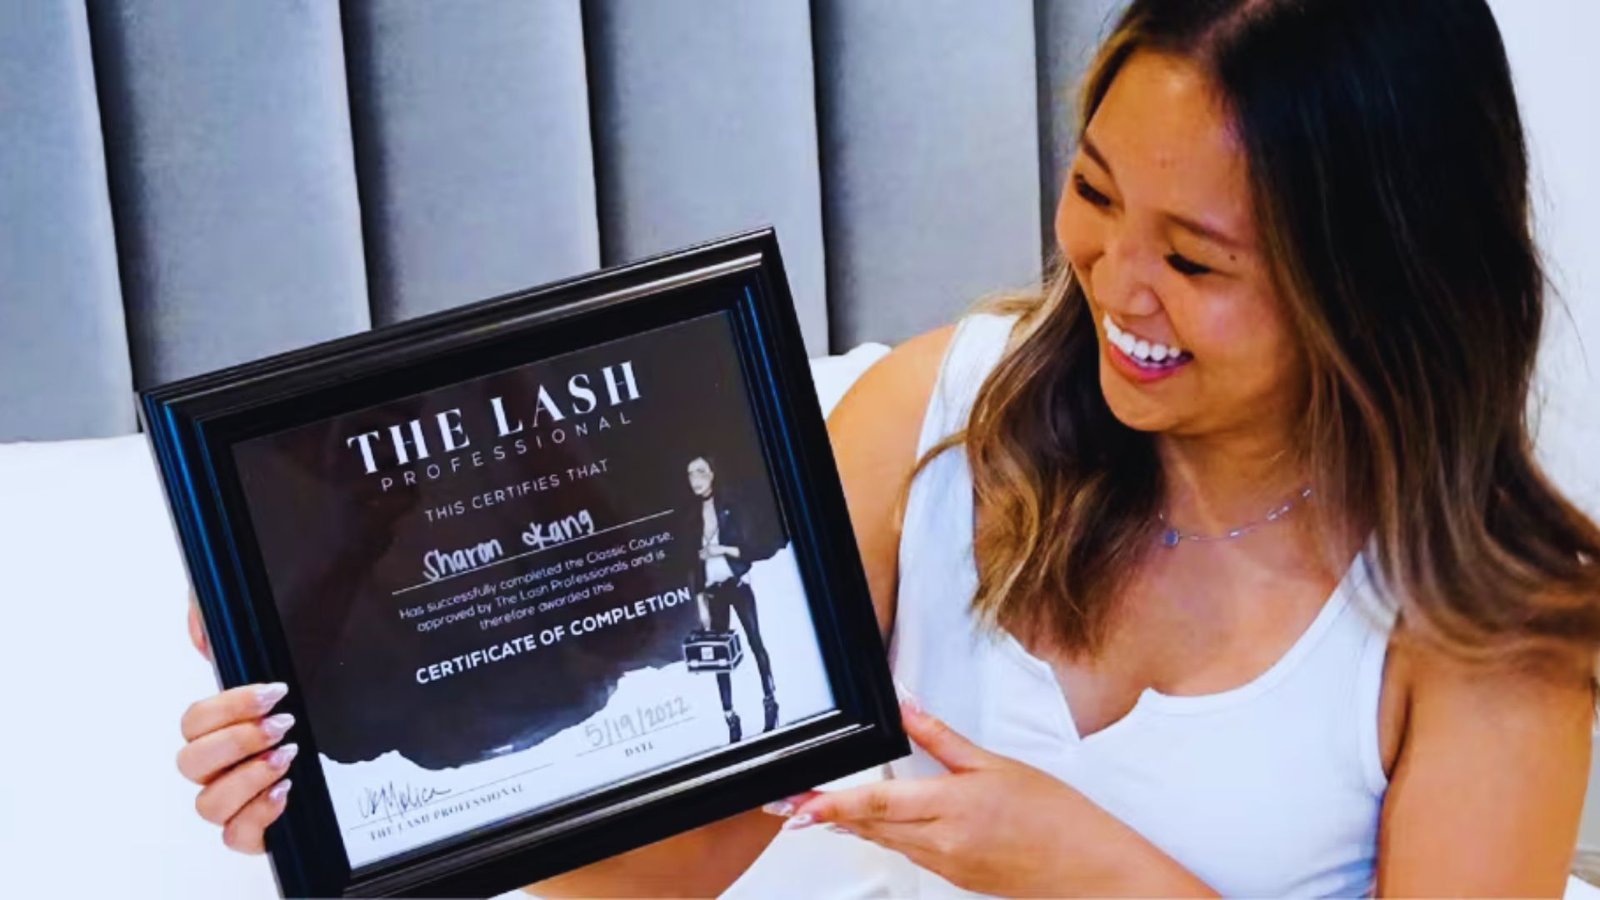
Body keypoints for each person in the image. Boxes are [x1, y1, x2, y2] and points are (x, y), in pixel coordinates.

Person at [174, 0, 1600, 894]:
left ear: (1382, 270)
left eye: (1202, 260)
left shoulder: (1505, 619)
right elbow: (672, 861)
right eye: (1094, 192)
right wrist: (359, 784)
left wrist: (1086, 877)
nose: (1115, 283)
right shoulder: (938, 427)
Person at [682, 454, 779, 742]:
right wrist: (700, 601)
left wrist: (721, 549)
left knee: (755, 641)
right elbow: (691, 564)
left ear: (712, 473)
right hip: (714, 592)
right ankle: (730, 717)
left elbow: (751, 548)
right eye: (690, 474)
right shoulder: (690, 518)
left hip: (737, 583)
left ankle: (770, 700)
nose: (696, 479)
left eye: (700, 472)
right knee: (718, 657)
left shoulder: (731, 506)